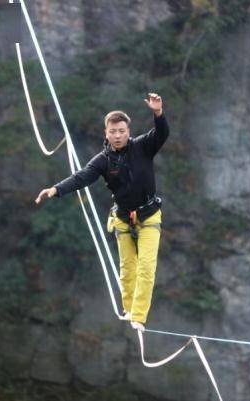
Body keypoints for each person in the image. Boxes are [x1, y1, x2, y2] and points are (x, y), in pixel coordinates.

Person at [35, 93, 169, 332]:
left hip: (149, 215)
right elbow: (81, 178)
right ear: (105, 133)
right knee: (127, 269)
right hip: (122, 218)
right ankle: (129, 309)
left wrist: (158, 113)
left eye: (121, 131)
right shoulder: (103, 161)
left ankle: (139, 315)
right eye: (112, 131)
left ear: (128, 131)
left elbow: (162, 134)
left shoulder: (142, 147)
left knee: (146, 268)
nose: (117, 136)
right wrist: (55, 189)